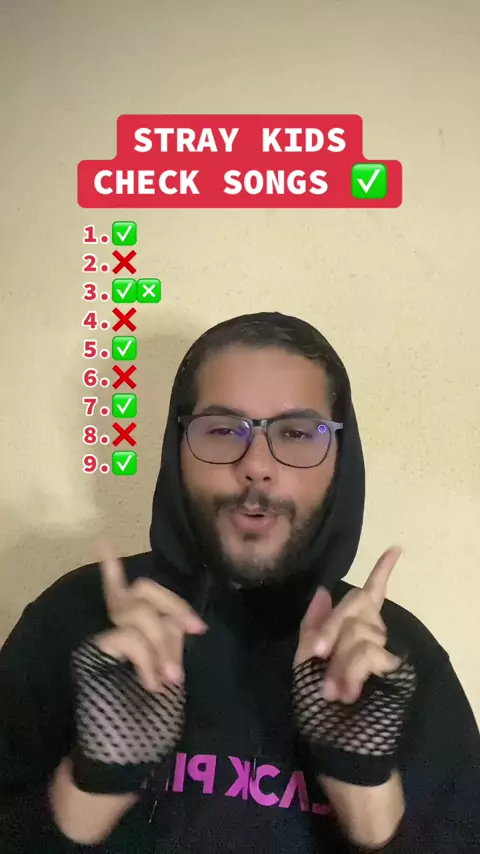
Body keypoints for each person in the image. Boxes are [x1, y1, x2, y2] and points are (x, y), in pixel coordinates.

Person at [1, 311, 479, 854]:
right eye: (223, 430)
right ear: (178, 448)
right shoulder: (74, 619)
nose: (256, 465)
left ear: (341, 459)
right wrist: (88, 790)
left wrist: (369, 798)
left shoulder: (394, 661)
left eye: (296, 433)